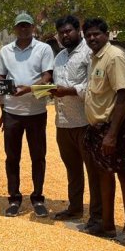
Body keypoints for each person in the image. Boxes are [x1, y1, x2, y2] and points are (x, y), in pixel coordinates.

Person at [82, 17, 125, 245]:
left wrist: (112, 134)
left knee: (124, 174)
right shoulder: (95, 58)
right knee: (105, 173)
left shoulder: (114, 57)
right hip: (99, 127)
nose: (92, 39)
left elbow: (123, 95)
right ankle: (107, 225)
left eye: (96, 34)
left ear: (106, 34)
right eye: (88, 36)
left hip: (117, 125)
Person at [0, 12, 55, 217]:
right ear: (15, 28)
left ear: (33, 28)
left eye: (27, 26)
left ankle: (38, 198)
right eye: (20, 26)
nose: (23, 29)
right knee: (12, 157)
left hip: (36, 112)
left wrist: (29, 88)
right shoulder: (5, 51)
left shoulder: (43, 49)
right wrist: (2, 107)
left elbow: (48, 77)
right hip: (12, 112)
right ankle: (14, 199)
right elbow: (1, 77)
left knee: (38, 157)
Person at [48, 15, 101, 227]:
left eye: (68, 31)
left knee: (93, 171)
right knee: (73, 169)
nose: (64, 35)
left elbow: (93, 87)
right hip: (63, 122)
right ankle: (75, 208)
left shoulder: (89, 54)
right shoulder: (59, 57)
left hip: (84, 122)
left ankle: (97, 215)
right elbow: (56, 83)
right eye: (61, 32)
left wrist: (67, 91)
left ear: (78, 31)